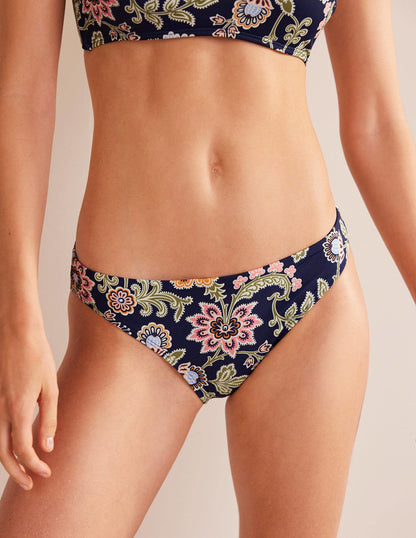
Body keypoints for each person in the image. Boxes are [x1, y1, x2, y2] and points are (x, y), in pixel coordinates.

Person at [0, 0, 414, 536]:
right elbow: (22, 97)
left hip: (305, 295)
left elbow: (377, 123)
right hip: (128, 310)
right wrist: (17, 324)